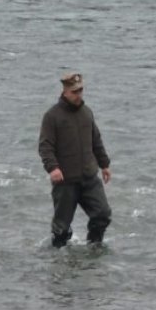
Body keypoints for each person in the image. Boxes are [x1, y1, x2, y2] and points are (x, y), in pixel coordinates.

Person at [39, 73, 112, 247]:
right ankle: (58, 258)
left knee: (102, 214)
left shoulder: (87, 113)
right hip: (65, 182)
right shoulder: (52, 116)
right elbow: (45, 147)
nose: (79, 95)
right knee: (61, 229)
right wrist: (53, 168)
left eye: (81, 90)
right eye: (75, 91)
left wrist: (104, 164)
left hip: (89, 178)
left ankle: (94, 247)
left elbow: (96, 140)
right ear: (65, 91)